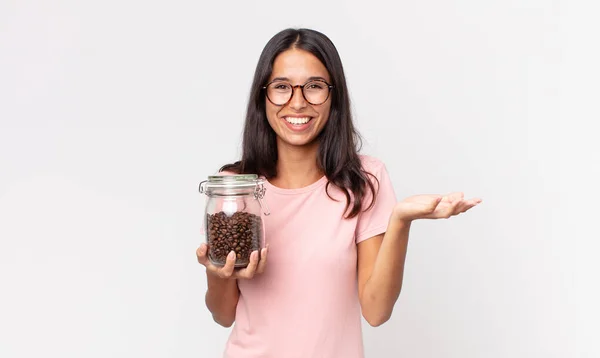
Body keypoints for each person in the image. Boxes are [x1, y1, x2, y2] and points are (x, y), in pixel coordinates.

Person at [196, 28, 482, 358]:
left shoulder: (364, 180)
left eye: (314, 87)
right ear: (263, 96)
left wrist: (401, 219)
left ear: (334, 97)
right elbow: (223, 314)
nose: (298, 102)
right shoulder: (235, 185)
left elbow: (376, 312)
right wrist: (216, 271)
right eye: (282, 87)